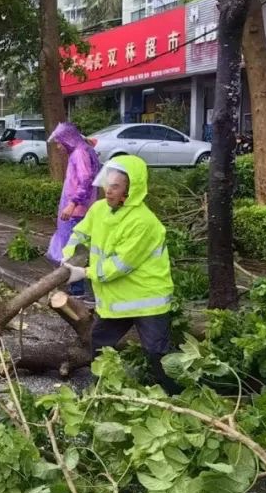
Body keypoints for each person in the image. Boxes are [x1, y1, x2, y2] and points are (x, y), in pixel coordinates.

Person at [62, 154, 179, 393]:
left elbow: (119, 265)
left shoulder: (143, 222)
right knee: (100, 345)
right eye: (107, 184)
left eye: (115, 186)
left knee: (158, 353)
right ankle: (101, 392)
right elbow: (81, 233)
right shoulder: (99, 210)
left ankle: (174, 397)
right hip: (118, 302)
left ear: (130, 189)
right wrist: (69, 252)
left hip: (148, 301)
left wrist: (83, 272)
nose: (108, 191)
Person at [46, 122, 101, 297]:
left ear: (68, 139)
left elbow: (85, 181)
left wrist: (72, 204)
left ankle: (77, 289)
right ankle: (77, 287)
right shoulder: (83, 151)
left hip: (77, 212)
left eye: (59, 142)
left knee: (74, 248)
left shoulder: (80, 154)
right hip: (80, 210)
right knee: (76, 247)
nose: (58, 146)